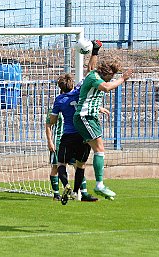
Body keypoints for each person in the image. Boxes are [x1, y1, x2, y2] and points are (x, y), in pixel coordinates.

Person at [73, 47, 133, 200]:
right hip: (84, 117)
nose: (112, 78)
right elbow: (107, 88)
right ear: (105, 73)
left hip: (89, 116)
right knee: (99, 148)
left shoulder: (94, 75)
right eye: (112, 75)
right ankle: (99, 184)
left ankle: (78, 191)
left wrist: (95, 51)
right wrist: (123, 79)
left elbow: (91, 67)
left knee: (82, 158)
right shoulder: (94, 78)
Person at [48, 40, 103, 204]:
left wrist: (54, 118)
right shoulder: (79, 91)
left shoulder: (59, 100)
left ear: (60, 87)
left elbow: (52, 120)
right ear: (72, 84)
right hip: (83, 134)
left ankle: (66, 185)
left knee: (61, 164)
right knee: (81, 165)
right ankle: (78, 191)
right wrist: (95, 51)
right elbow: (91, 71)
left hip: (68, 135)